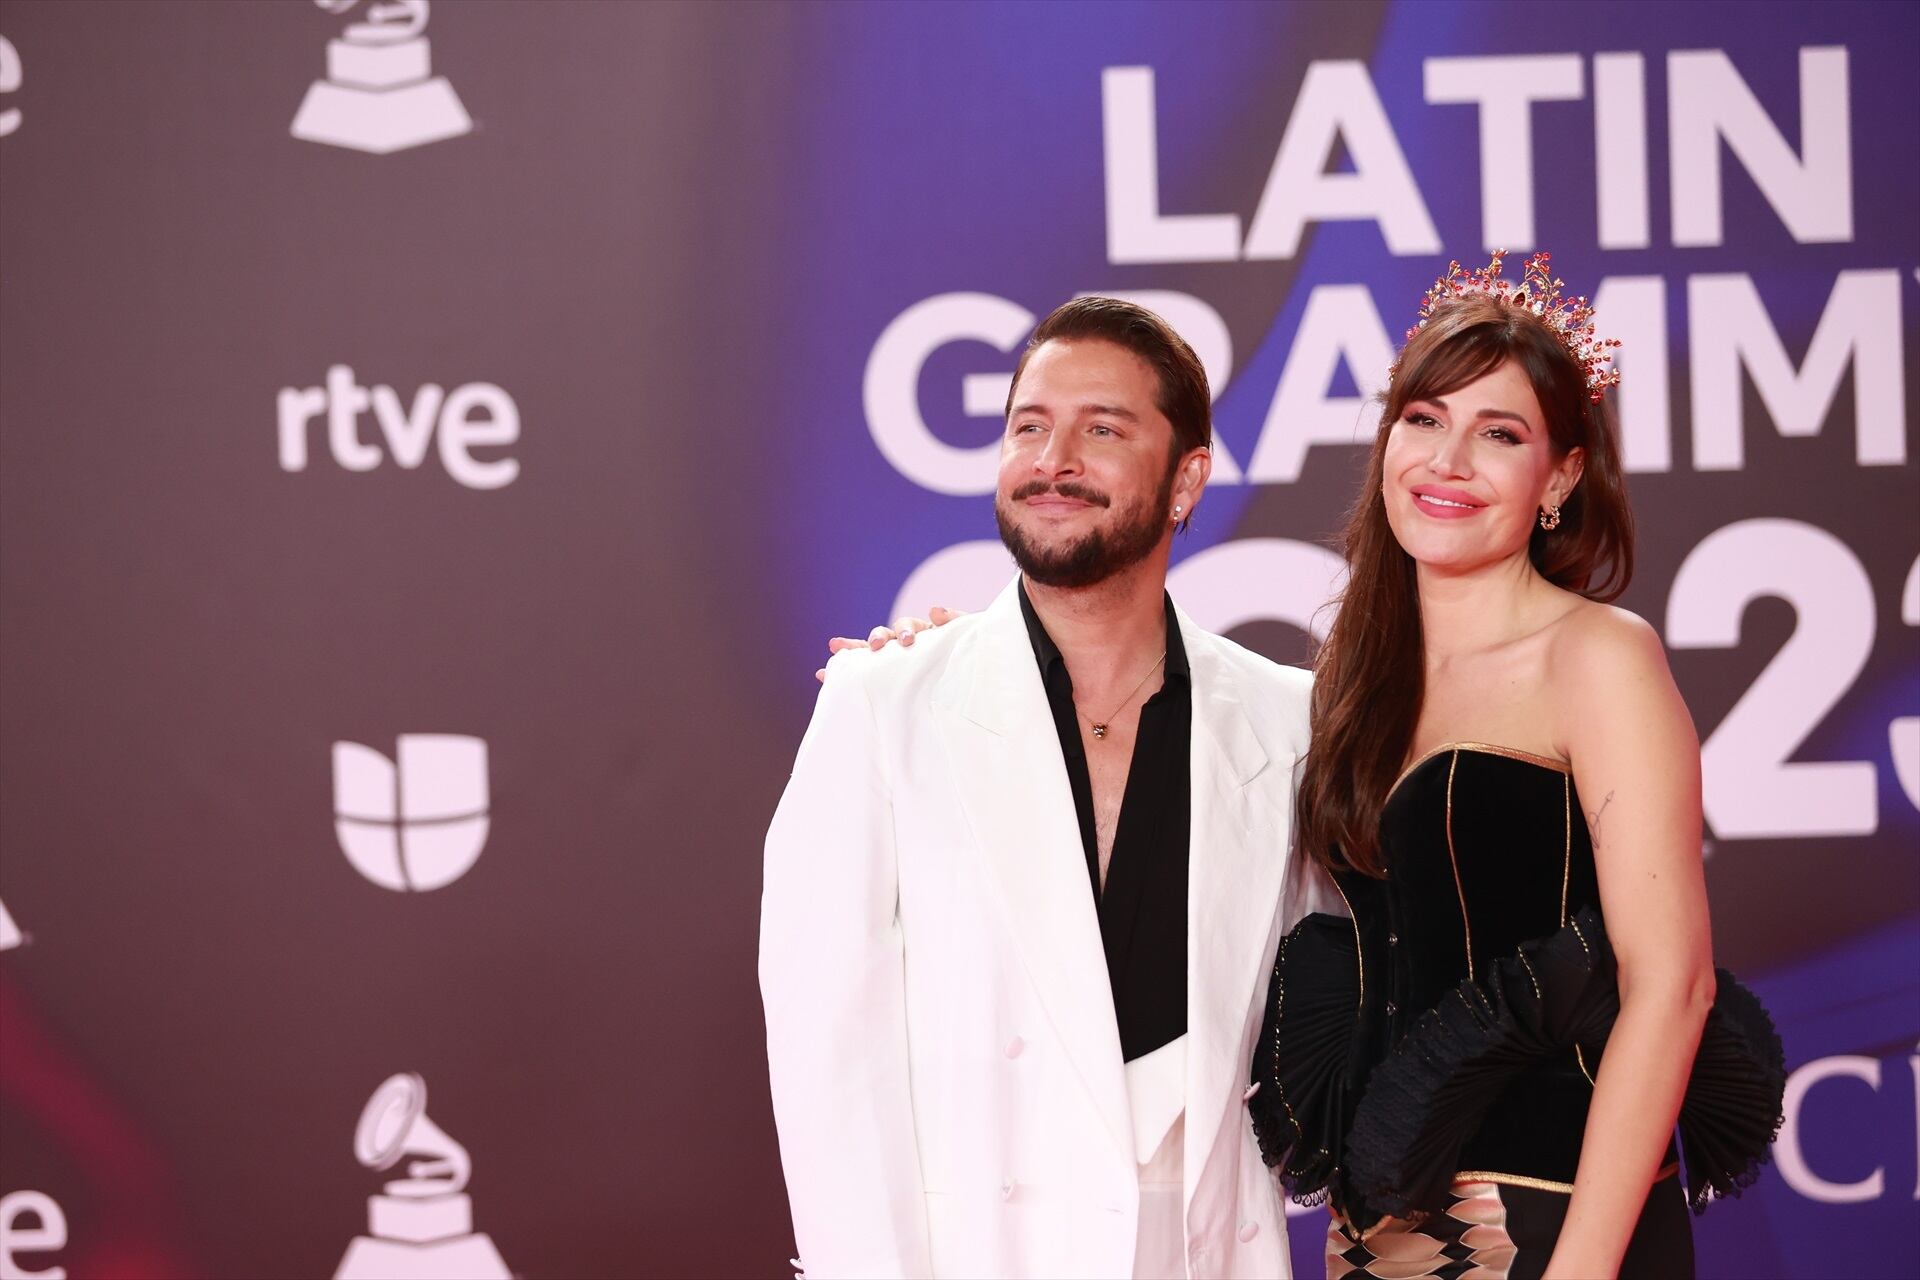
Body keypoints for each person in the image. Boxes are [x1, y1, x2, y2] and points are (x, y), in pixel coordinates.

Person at [1247, 253, 1783, 1279]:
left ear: (1562, 478)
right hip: (1381, 1237)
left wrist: (1578, 1268)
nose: (1448, 460)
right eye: (1423, 419)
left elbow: (1670, 983)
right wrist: (944, 655)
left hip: (1557, 1224)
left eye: (1499, 434)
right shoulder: (1348, 686)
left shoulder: (1599, 656)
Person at [760, 297, 1315, 1279]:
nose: (1053, 457)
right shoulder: (885, 703)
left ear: (1187, 479)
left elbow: (1335, 1025)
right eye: (1029, 425)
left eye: (1102, 428)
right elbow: (828, 1061)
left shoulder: (1290, 723)